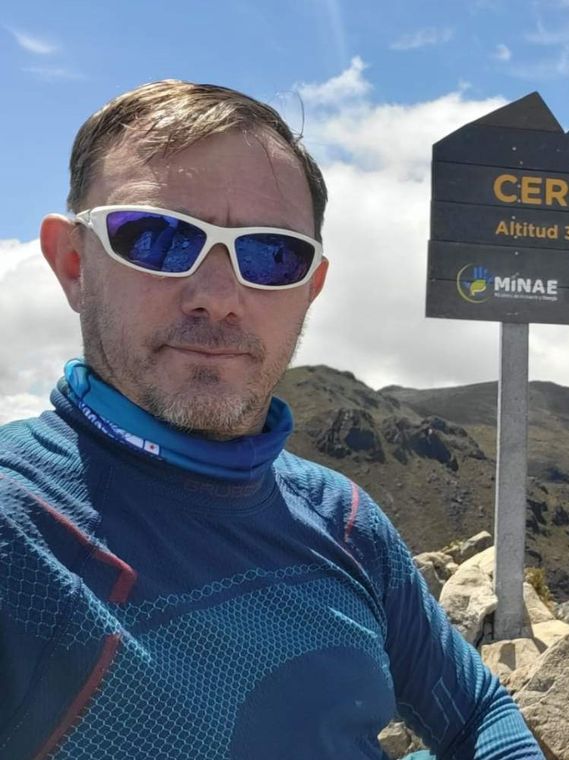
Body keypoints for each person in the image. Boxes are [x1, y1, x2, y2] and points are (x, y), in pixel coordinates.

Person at [0, 80, 541, 760]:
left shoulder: (345, 519)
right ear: (74, 264)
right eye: (158, 238)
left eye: (271, 255)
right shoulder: (15, 528)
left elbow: (475, 715)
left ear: (310, 289)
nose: (220, 296)